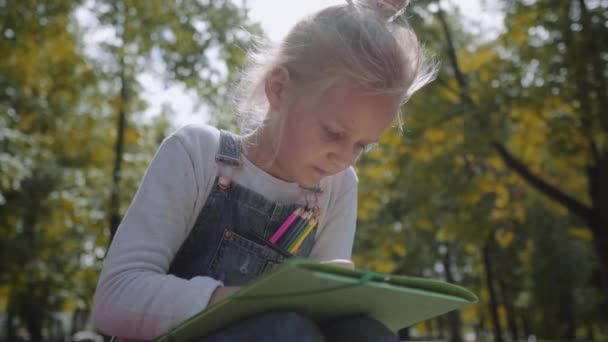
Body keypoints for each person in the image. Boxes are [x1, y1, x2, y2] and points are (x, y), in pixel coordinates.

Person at [92, 0, 437, 341]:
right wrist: (253, 303)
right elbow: (116, 297)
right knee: (285, 331)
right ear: (279, 88)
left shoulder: (338, 186)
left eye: (363, 145)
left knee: (363, 333)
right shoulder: (198, 155)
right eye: (334, 133)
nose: (345, 158)